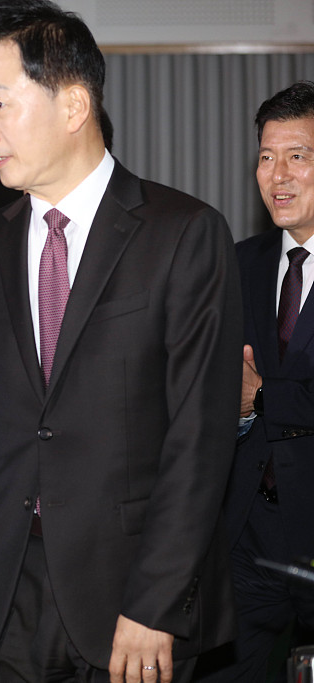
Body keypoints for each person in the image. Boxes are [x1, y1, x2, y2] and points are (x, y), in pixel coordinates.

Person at [0, 2, 242, 682]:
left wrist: (155, 601)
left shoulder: (182, 233)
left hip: (130, 597)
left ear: (72, 104)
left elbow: (200, 436)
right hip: (5, 594)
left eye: (0, 104)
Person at [196, 81, 314, 681]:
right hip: (248, 533)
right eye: (267, 157)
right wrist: (240, 409)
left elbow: (256, 385)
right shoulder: (237, 262)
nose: (278, 174)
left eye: (299, 155)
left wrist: (262, 395)